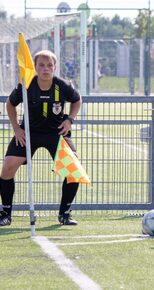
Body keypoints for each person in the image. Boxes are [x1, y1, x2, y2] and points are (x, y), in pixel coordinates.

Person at [0, 50, 82, 226]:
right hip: (28, 133)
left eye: (49, 65)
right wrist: (16, 129)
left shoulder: (63, 85)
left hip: (57, 133)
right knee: (7, 167)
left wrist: (69, 120)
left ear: (55, 67)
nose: (46, 69)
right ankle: (5, 213)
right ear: (35, 67)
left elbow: (77, 99)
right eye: (41, 65)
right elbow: (10, 104)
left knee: (74, 170)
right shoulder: (26, 85)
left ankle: (65, 213)